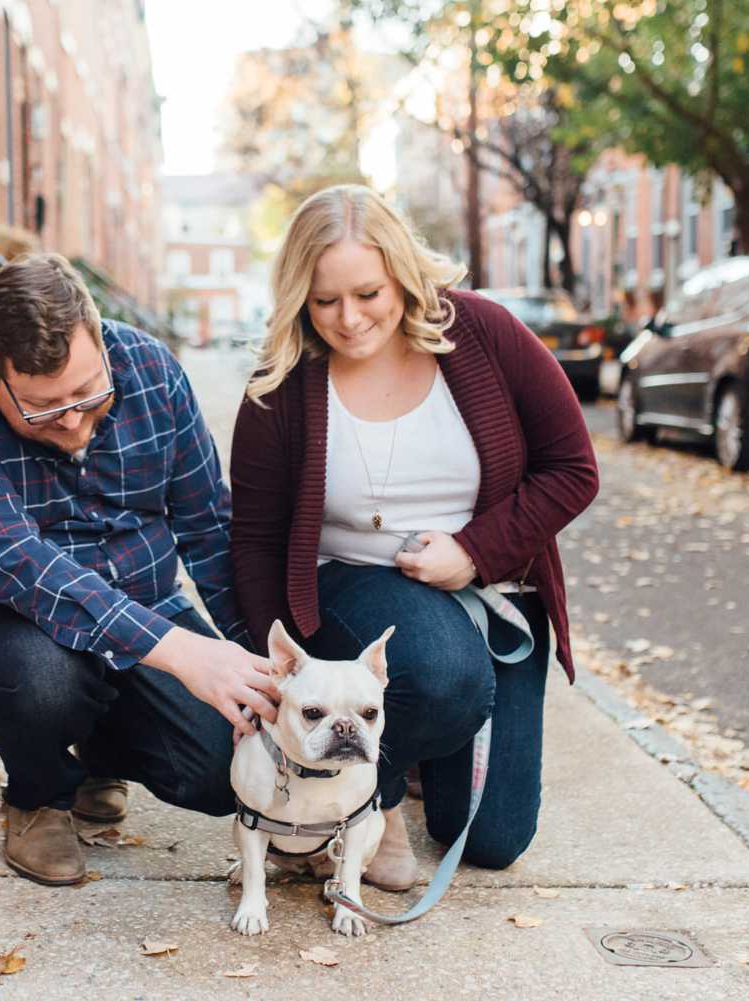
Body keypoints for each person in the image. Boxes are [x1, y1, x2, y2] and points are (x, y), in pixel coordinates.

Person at [230, 186, 599, 890]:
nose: (349, 318)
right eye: (324, 300)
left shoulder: (485, 334)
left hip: (492, 596)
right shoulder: (282, 385)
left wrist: (477, 551)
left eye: (367, 292)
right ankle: (379, 795)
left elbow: (574, 468)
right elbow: (251, 540)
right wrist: (268, 678)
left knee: (494, 839)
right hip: (349, 585)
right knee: (443, 673)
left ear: (401, 271)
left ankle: (415, 742)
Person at [0, 252, 277, 886]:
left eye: (87, 392)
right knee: (43, 683)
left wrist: (259, 663)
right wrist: (180, 653)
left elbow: (209, 530)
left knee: (227, 772)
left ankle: (99, 750)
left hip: (145, 602)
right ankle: (38, 793)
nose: (73, 421)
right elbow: (12, 560)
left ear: (102, 341)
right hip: (10, 622)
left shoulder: (155, 371)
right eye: (43, 409)